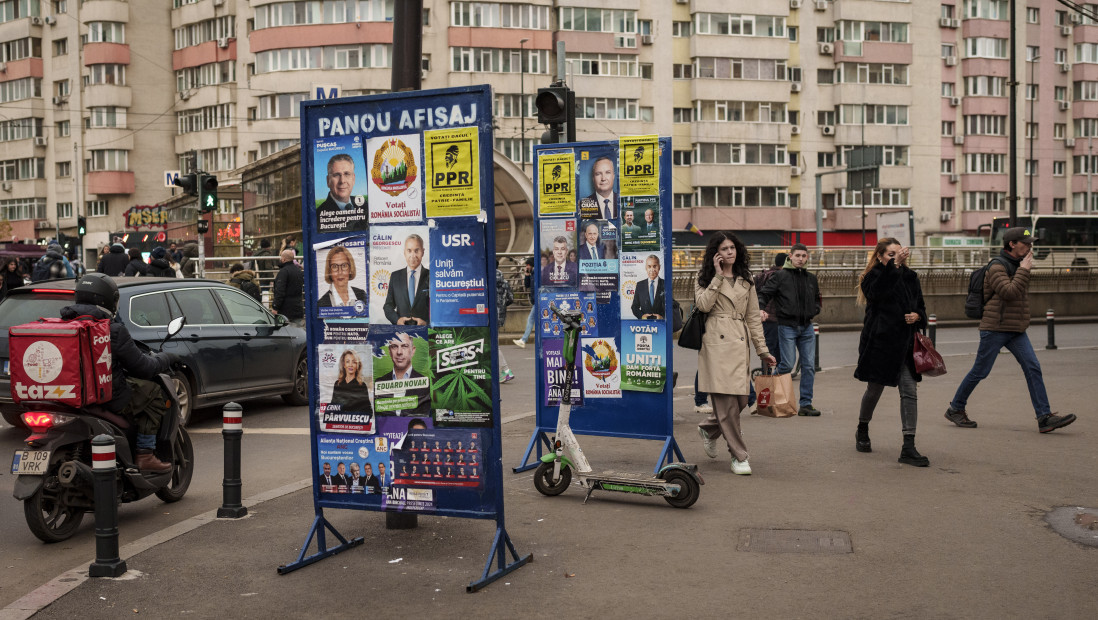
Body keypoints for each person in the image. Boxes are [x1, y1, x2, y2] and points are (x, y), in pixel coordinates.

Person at [944, 227, 1076, 433]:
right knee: (980, 371)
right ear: (1012, 244)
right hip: (995, 328)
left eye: (1031, 242)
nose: (1030, 245)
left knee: (1033, 367)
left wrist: (1022, 268)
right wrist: (1024, 269)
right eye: (1026, 242)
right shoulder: (997, 266)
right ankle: (955, 408)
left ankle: (1044, 417)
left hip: (1015, 328)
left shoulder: (1017, 264)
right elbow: (1009, 293)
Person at [61, 273, 178, 473]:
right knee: (154, 393)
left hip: (66, 395)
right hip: (106, 396)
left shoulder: (62, 326)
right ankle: (145, 454)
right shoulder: (112, 330)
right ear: (108, 299)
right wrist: (166, 358)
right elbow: (143, 367)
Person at [694, 232, 776, 475]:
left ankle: (709, 428)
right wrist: (717, 277)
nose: (730, 252)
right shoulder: (704, 278)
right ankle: (739, 456)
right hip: (716, 341)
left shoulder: (746, 279)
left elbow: (753, 316)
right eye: (724, 248)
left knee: (742, 399)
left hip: (739, 342)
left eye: (732, 247)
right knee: (728, 405)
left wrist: (762, 350)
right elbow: (703, 305)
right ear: (715, 254)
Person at [853, 238, 931, 467]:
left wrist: (918, 316)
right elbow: (877, 294)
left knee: (909, 391)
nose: (897, 258)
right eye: (890, 254)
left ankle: (908, 445)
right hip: (881, 343)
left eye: (899, 254)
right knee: (874, 389)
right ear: (879, 256)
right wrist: (893, 266)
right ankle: (862, 427)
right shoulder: (873, 276)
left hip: (905, 343)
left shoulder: (911, 277)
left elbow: (921, 307)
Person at [758, 243, 822, 417]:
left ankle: (806, 404)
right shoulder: (780, 276)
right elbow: (764, 293)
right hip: (786, 326)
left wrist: (815, 309)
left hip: (807, 327)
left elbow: (817, 298)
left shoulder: (811, 278)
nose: (801, 259)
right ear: (790, 256)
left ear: (807, 257)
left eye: (803, 256)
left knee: (809, 366)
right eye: (797, 255)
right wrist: (761, 308)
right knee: (786, 364)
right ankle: (768, 396)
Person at [382, 234, 429, 325]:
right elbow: (388, 306)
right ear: (404, 252)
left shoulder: (432, 276)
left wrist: (427, 323)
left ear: (423, 252)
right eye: (409, 251)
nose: (413, 255)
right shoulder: (395, 276)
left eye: (417, 250)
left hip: (426, 332)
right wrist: (397, 320)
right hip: (402, 332)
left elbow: (438, 308)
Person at [379, 332, 430, 414]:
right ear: (389, 351)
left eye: (404, 346)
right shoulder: (379, 383)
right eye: (394, 346)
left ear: (412, 351)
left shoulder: (426, 385)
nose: (399, 352)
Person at [753, 253, 787, 369]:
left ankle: (767, 375)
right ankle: (773, 377)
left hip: (764, 316)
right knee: (776, 349)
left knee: (769, 347)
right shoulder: (779, 276)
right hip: (774, 316)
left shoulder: (764, 274)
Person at [316, 153, 357, 221]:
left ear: (353, 179)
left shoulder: (364, 205)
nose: (342, 181)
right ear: (328, 181)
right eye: (336, 175)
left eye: (347, 174)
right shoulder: (318, 216)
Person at [331, 349, 373, 414]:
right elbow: (332, 408)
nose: (350, 365)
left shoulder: (362, 385)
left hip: (355, 423)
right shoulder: (337, 384)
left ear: (357, 365)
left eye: (354, 362)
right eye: (347, 361)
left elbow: (369, 412)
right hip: (341, 422)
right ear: (344, 365)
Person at [272, 248, 305, 326]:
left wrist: (275, 307)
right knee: (298, 332)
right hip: (298, 308)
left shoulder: (283, 272)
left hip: (285, 310)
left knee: (286, 333)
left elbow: (280, 291)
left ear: (283, 259)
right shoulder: (298, 271)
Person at [496, 262, 515, 383]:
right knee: (493, 343)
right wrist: (502, 306)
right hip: (500, 316)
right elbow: (511, 298)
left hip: (489, 315)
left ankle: (506, 370)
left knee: (493, 344)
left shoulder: (487, 279)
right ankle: (503, 370)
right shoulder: (504, 281)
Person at [631, 254, 665, 320]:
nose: (652, 270)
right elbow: (634, 307)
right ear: (646, 268)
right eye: (649, 266)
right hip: (645, 325)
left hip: (662, 324)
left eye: (655, 266)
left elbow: (670, 306)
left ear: (659, 267)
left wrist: (663, 317)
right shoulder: (640, 285)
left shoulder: (665, 284)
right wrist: (642, 316)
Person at [513, 257, 537, 348]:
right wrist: (527, 274)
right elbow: (527, 285)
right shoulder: (532, 274)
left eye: (528, 265)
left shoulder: (536, 273)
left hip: (537, 300)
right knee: (535, 320)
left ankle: (523, 340)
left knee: (531, 319)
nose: (527, 266)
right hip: (535, 300)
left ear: (531, 265)